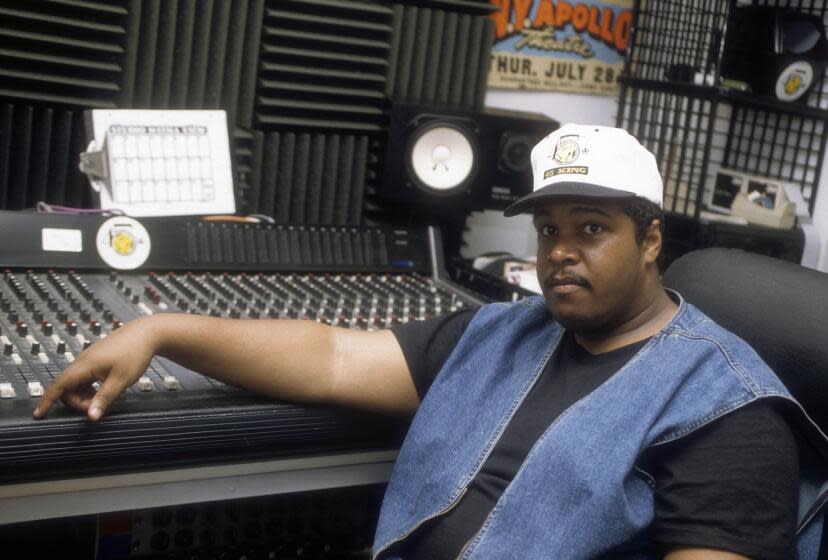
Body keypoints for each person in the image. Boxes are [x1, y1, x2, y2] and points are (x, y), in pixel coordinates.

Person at [34, 124, 827, 559]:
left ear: (651, 239)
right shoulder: (505, 329)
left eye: (592, 229)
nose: (559, 252)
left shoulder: (731, 412)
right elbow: (332, 356)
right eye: (548, 229)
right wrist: (160, 328)